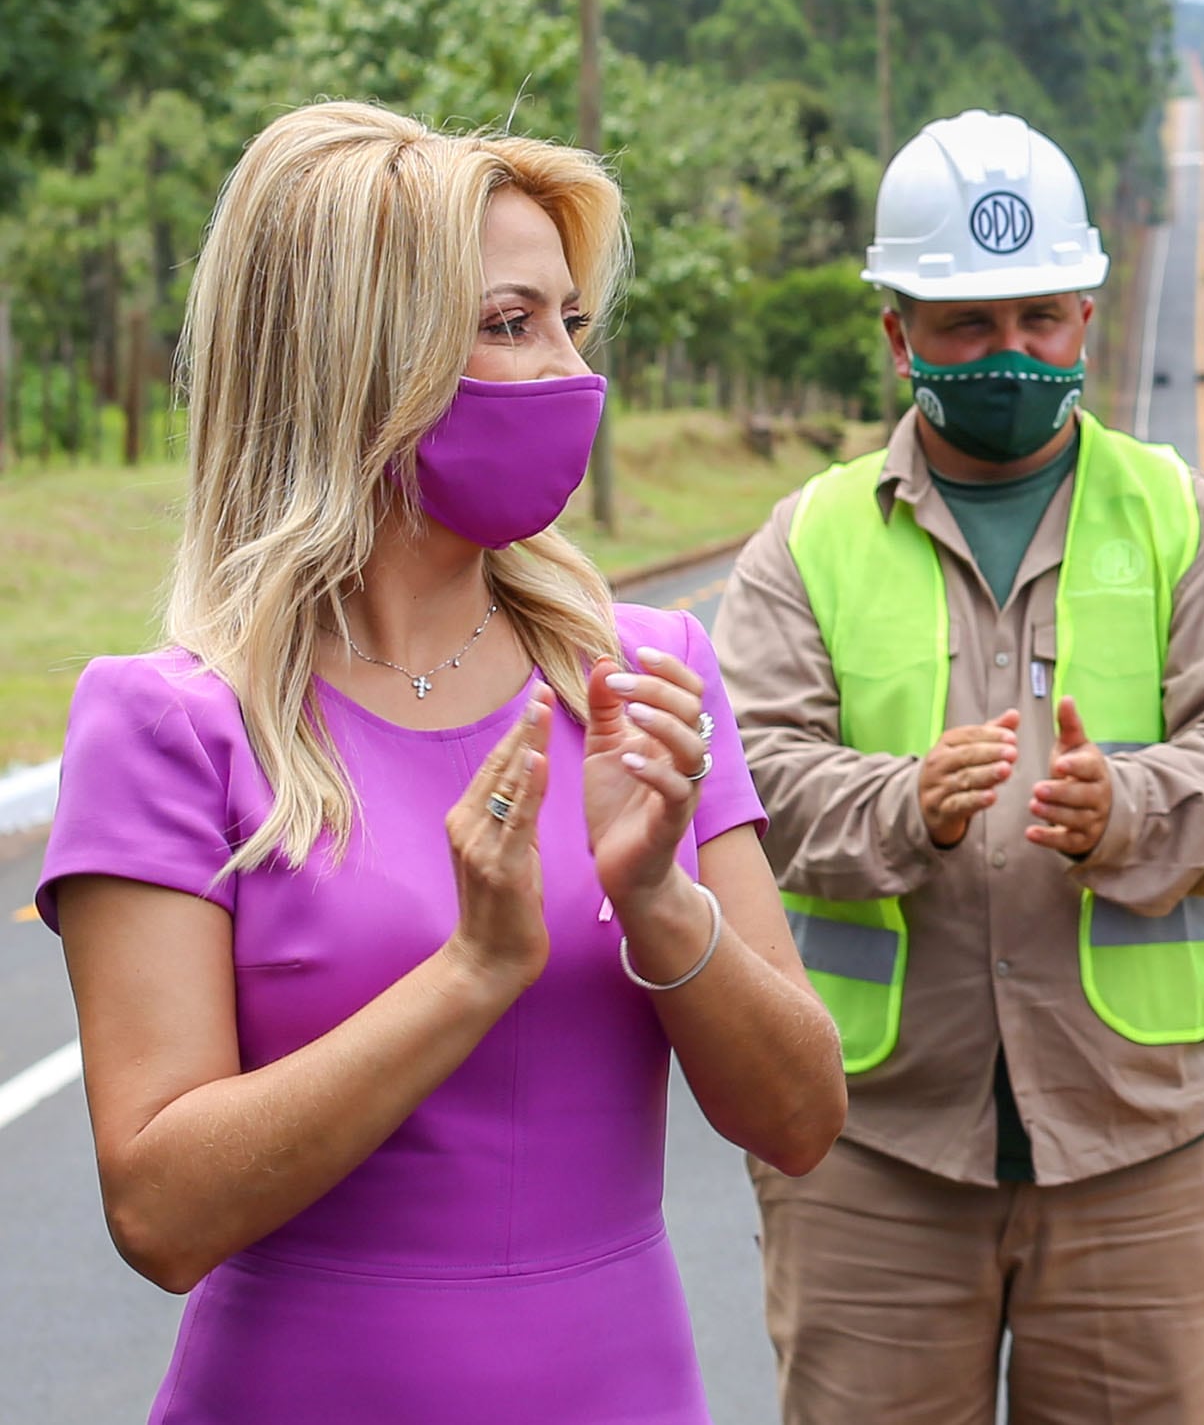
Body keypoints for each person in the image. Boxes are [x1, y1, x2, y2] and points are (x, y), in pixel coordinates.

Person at [41, 100, 846, 1425]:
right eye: (509, 324)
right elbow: (162, 1210)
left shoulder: (644, 676)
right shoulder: (172, 724)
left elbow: (802, 1117)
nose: (569, 372)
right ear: (360, 355)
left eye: (572, 323)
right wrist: (472, 975)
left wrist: (660, 906)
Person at [719, 109, 1204, 1425]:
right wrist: (898, 806)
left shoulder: (1192, 522)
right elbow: (745, 774)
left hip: (1147, 1143)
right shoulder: (807, 544)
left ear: (1085, 314)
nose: (1007, 355)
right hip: (872, 1149)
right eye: (966, 327)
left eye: (1038, 320)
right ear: (898, 333)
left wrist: (1125, 807)